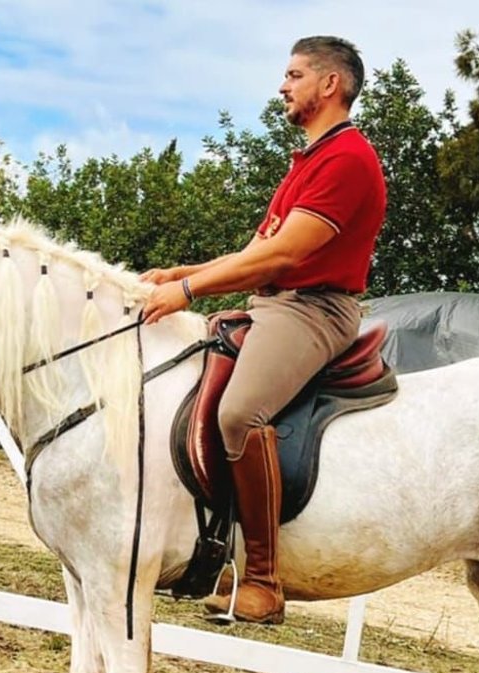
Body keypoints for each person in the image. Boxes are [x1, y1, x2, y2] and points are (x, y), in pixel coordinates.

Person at [141, 35, 387, 625]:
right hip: (274, 303)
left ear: (330, 84)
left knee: (238, 413)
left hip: (313, 310)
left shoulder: (349, 159)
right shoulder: (308, 160)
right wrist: (182, 271)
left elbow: (284, 257)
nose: (283, 85)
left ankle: (262, 580)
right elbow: (260, 248)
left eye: (295, 74)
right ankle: (210, 548)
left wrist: (186, 293)